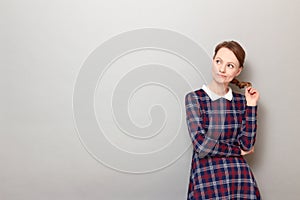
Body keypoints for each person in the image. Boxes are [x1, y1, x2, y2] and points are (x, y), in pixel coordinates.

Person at [185, 41, 261, 199]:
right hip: (207, 180)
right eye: (218, 61)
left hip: (239, 179)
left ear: (238, 71)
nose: (222, 69)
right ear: (213, 61)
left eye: (230, 65)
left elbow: (247, 144)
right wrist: (237, 151)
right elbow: (201, 145)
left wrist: (251, 105)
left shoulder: (241, 101)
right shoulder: (195, 99)